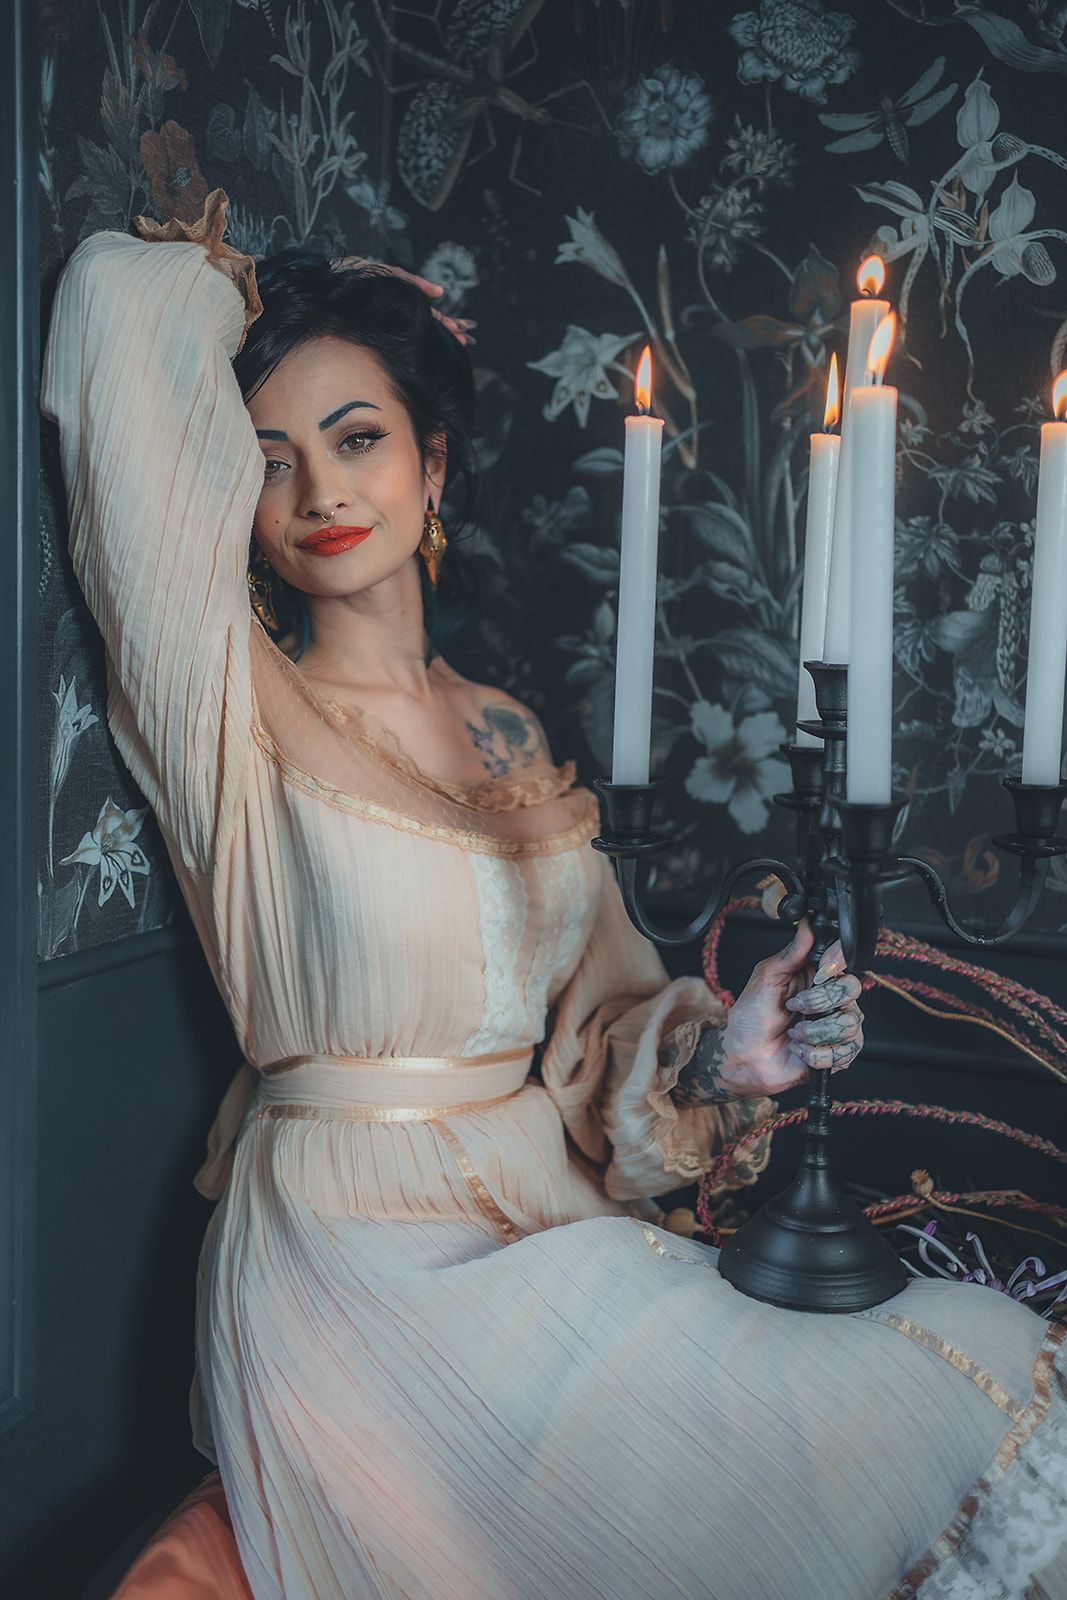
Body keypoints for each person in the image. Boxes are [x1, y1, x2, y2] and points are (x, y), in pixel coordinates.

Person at [41, 189, 1065, 1600]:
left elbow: (608, 1023)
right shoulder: (228, 705)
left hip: (545, 1224)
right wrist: (260, 279)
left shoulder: (507, 730)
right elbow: (109, 312)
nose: (322, 494)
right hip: (348, 1269)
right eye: (270, 462)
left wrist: (728, 1049)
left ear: (434, 465)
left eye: (359, 440)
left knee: (970, 1364)